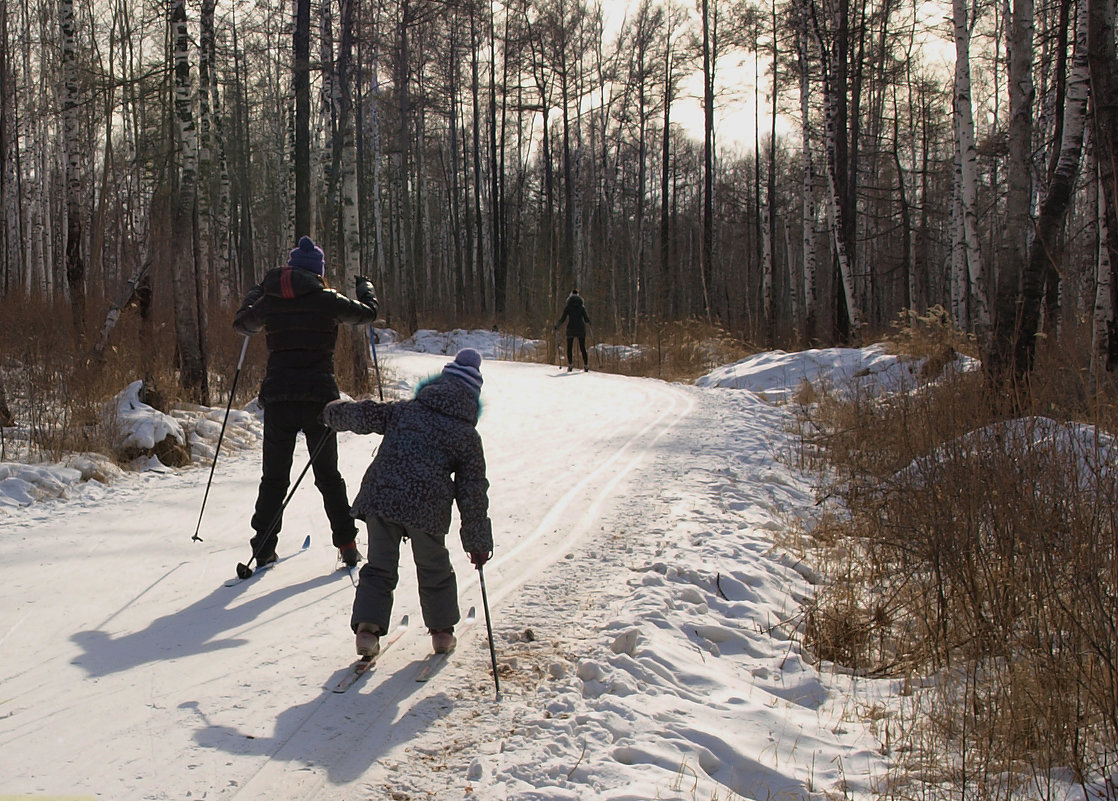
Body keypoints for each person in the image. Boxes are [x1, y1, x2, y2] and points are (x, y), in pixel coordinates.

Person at [321, 348, 494, 657]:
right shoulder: (467, 435)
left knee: (378, 568)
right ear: (471, 397)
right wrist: (477, 542)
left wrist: (333, 413)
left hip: (383, 498)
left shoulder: (405, 409)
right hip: (426, 510)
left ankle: (367, 632)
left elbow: (365, 414)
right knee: (434, 568)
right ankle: (441, 633)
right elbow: (473, 492)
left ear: (439, 383)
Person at [233, 235, 379, 570]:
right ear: (317, 272)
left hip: (280, 398)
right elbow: (368, 315)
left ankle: (264, 549)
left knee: (274, 478)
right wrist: (366, 288)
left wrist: (254, 295)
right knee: (328, 476)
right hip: (319, 400)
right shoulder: (326, 299)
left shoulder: (270, 301)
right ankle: (347, 544)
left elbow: (242, 324)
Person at [554, 289, 591, 372]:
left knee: (569, 348)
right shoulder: (581, 307)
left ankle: (570, 365)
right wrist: (589, 322)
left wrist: (557, 325)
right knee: (582, 347)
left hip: (571, 328)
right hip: (581, 329)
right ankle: (586, 365)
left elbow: (563, 318)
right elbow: (586, 318)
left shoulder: (568, 306)